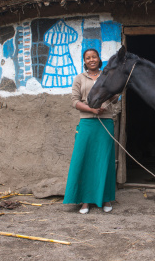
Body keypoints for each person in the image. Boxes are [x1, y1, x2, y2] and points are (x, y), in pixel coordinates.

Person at [63, 48, 118, 214]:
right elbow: (74, 101)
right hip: (86, 123)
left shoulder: (107, 76)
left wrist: (114, 94)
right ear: (84, 61)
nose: (91, 59)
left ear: (99, 59)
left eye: (94, 57)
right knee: (85, 159)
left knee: (104, 160)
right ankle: (85, 201)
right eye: (88, 58)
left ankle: (106, 198)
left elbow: (115, 98)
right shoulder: (80, 78)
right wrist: (91, 110)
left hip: (105, 122)